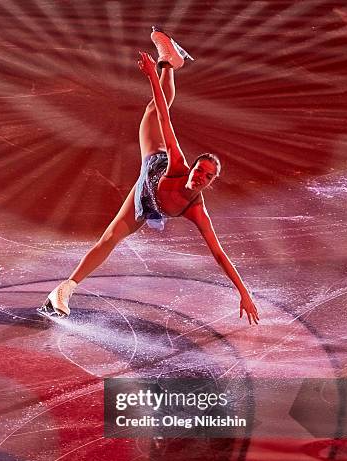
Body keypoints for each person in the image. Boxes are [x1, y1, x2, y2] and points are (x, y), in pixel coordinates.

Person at [39, 27, 259, 325]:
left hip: (150, 203)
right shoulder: (177, 163)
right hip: (152, 161)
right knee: (156, 109)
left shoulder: (196, 211)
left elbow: (219, 255)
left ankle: (170, 60)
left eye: (207, 177)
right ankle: (64, 291)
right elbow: (165, 120)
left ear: (210, 183)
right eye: (199, 170)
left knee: (157, 106)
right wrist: (151, 77)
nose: (199, 178)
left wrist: (243, 292)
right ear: (192, 167)